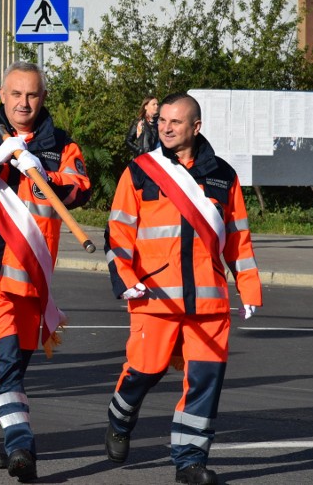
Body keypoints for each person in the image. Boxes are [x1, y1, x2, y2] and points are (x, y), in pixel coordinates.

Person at [103, 92, 262, 485]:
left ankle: (189, 460)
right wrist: (124, 279)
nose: (166, 128)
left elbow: (237, 239)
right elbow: (118, 233)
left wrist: (250, 288)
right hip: (153, 296)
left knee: (206, 379)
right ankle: (120, 416)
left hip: (208, 303)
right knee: (145, 371)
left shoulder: (223, 175)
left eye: (175, 122)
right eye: (162, 121)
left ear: (196, 126)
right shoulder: (140, 171)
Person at [0, 62, 91, 482]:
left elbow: (80, 187)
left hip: (32, 273)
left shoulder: (60, 143)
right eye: (16, 94)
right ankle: (21, 444)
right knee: (5, 360)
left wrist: (39, 171)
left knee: (9, 366)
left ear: (42, 98)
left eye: (32, 95)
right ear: (2, 96)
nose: (23, 103)